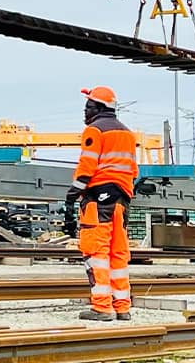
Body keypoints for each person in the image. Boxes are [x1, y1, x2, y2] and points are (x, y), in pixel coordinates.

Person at [65, 86, 139, 321]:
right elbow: (133, 170)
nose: (85, 111)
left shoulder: (94, 131)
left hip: (98, 200)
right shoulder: (128, 134)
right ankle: (122, 306)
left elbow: (87, 167)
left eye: (88, 106)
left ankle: (102, 307)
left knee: (96, 251)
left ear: (98, 107)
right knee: (118, 253)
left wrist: (72, 194)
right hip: (121, 199)